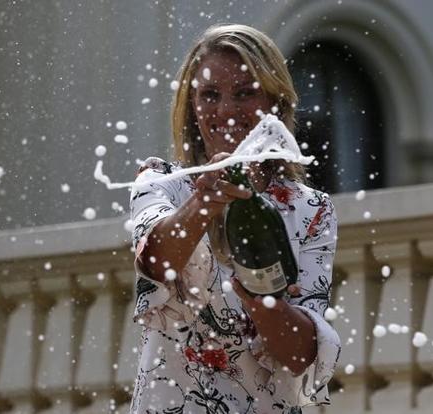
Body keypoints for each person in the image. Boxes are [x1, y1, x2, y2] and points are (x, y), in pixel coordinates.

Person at [128, 23, 340, 414]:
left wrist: (261, 301)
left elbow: (299, 356)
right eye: (210, 95)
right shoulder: (161, 183)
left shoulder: (310, 210)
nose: (225, 111)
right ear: (192, 106)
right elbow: (154, 261)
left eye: (244, 93)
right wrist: (204, 202)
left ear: (274, 102)